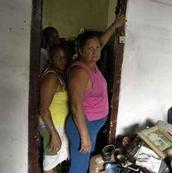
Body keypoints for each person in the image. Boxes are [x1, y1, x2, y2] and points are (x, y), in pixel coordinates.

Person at [66, 15, 126, 173]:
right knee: (79, 167)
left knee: (87, 163)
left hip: (91, 125)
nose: (95, 51)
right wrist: (84, 136)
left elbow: (101, 42)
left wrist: (115, 25)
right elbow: (75, 105)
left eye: (97, 48)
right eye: (89, 49)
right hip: (82, 126)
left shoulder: (91, 63)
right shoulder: (80, 71)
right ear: (79, 50)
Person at [38, 45, 69, 173]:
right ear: (51, 59)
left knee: (55, 162)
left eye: (64, 57)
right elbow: (43, 108)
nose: (62, 60)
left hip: (56, 125)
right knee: (49, 166)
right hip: (50, 126)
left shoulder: (57, 75)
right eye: (58, 57)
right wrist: (54, 133)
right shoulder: (51, 77)